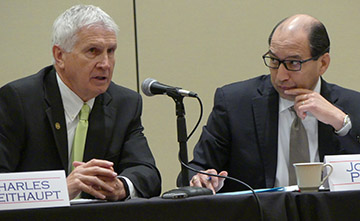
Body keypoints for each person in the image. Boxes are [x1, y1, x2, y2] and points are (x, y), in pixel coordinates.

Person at [183, 14, 360, 194]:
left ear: (323, 63)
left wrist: (341, 124)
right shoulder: (234, 103)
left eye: (293, 63)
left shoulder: (352, 106)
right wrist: (203, 178)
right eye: (274, 61)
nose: (281, 75)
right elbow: (196, 168)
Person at [0, 5, 161, 200]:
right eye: (93, 51)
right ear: (60, 56)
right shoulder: (19, 100)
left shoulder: (125, 103)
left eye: (110, 51)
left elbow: (147, 173)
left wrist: (121, 186)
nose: (106, 64)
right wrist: (60, 189)